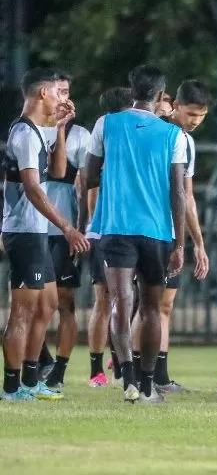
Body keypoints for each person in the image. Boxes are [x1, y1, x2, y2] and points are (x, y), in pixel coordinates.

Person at [86, 65, 187, 404]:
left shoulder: (106, 124)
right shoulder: (175, 135)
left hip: (115, 227)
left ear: (131, 90)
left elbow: (88, 176)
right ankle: (147, 386)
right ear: (161, 96)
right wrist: (181, 244)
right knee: (151, 307)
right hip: (157, 231)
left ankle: (127, 378)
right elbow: (178, 193)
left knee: (119, 302)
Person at [2, 68, 90, 401]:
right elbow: (35, 190)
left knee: (48, 305)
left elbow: (56, 172)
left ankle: (29, 378)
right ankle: (12, 387)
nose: (62, 99)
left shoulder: (42, 131)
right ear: (43, 94)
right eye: (59, 92)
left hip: (38, 230)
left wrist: (61, 128)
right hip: (25, 231)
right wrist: (67, 228)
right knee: (22, 310)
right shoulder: (24, 134)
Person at [130, 79, 212, 393]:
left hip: (168, 232)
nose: (195, 121)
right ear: (174, 106)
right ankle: (137, 372)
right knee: (145, 304)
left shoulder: (185, 141)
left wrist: (197, 243)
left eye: (201, 116)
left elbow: (187, 197)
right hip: (148, 230)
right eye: (191, 114)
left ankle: (158, 375)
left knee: (163, 305)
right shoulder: (159, 133)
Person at [37, 72, 92, 390]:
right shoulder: (30, 130)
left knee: (65, 301)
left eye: (67, 91)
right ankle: (39, 361)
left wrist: (81, 228)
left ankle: (59, 368)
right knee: (30, 301)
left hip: (64, 230)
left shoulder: (81, 136)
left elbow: (85, 187)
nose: (63, 97)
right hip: (33, 229)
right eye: (58, 91)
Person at [86, 87, 134, 387]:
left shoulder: (125, 143)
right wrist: (94, 228)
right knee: (105, 300)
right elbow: (90, 188)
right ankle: (96, 370)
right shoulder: (107, 140)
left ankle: (118, 362)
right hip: (106, 230)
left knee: (125, 300)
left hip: (126, 229)